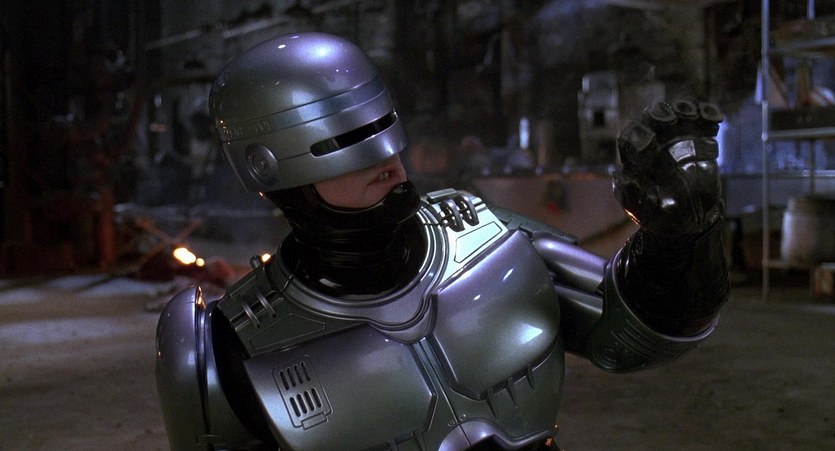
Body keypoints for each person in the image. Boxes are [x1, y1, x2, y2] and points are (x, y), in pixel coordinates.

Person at [155, 32, 729, 450]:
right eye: (344, 144)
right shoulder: (228, 344)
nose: (387, 160)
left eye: (381, 127)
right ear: (271, 166)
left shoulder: (489, 236)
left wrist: (680, 240)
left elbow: (629, 339)